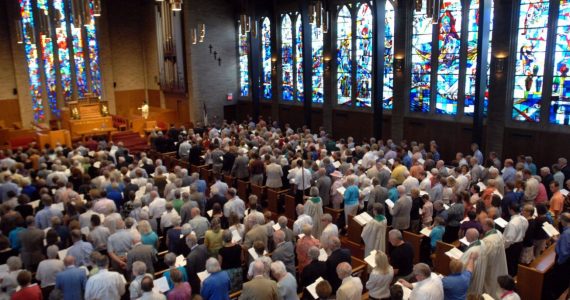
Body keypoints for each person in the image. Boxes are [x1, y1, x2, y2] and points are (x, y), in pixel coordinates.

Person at [481, 218, 508, 298]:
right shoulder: (498, 232)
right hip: (499, 262)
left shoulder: (488, 241)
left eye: (483, 225)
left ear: (486, 226)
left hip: (492, 267)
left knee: (491, 285)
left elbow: (486, 258)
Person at [503, 203, 528, 276]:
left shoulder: (512, 223)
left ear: (511, 210)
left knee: (510, 264)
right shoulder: (524, 219)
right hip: (520, 243)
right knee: (515, 261)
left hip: (512, 246)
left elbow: (509, 239)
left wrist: (504, 247)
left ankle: (510, 278)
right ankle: (515, 276)